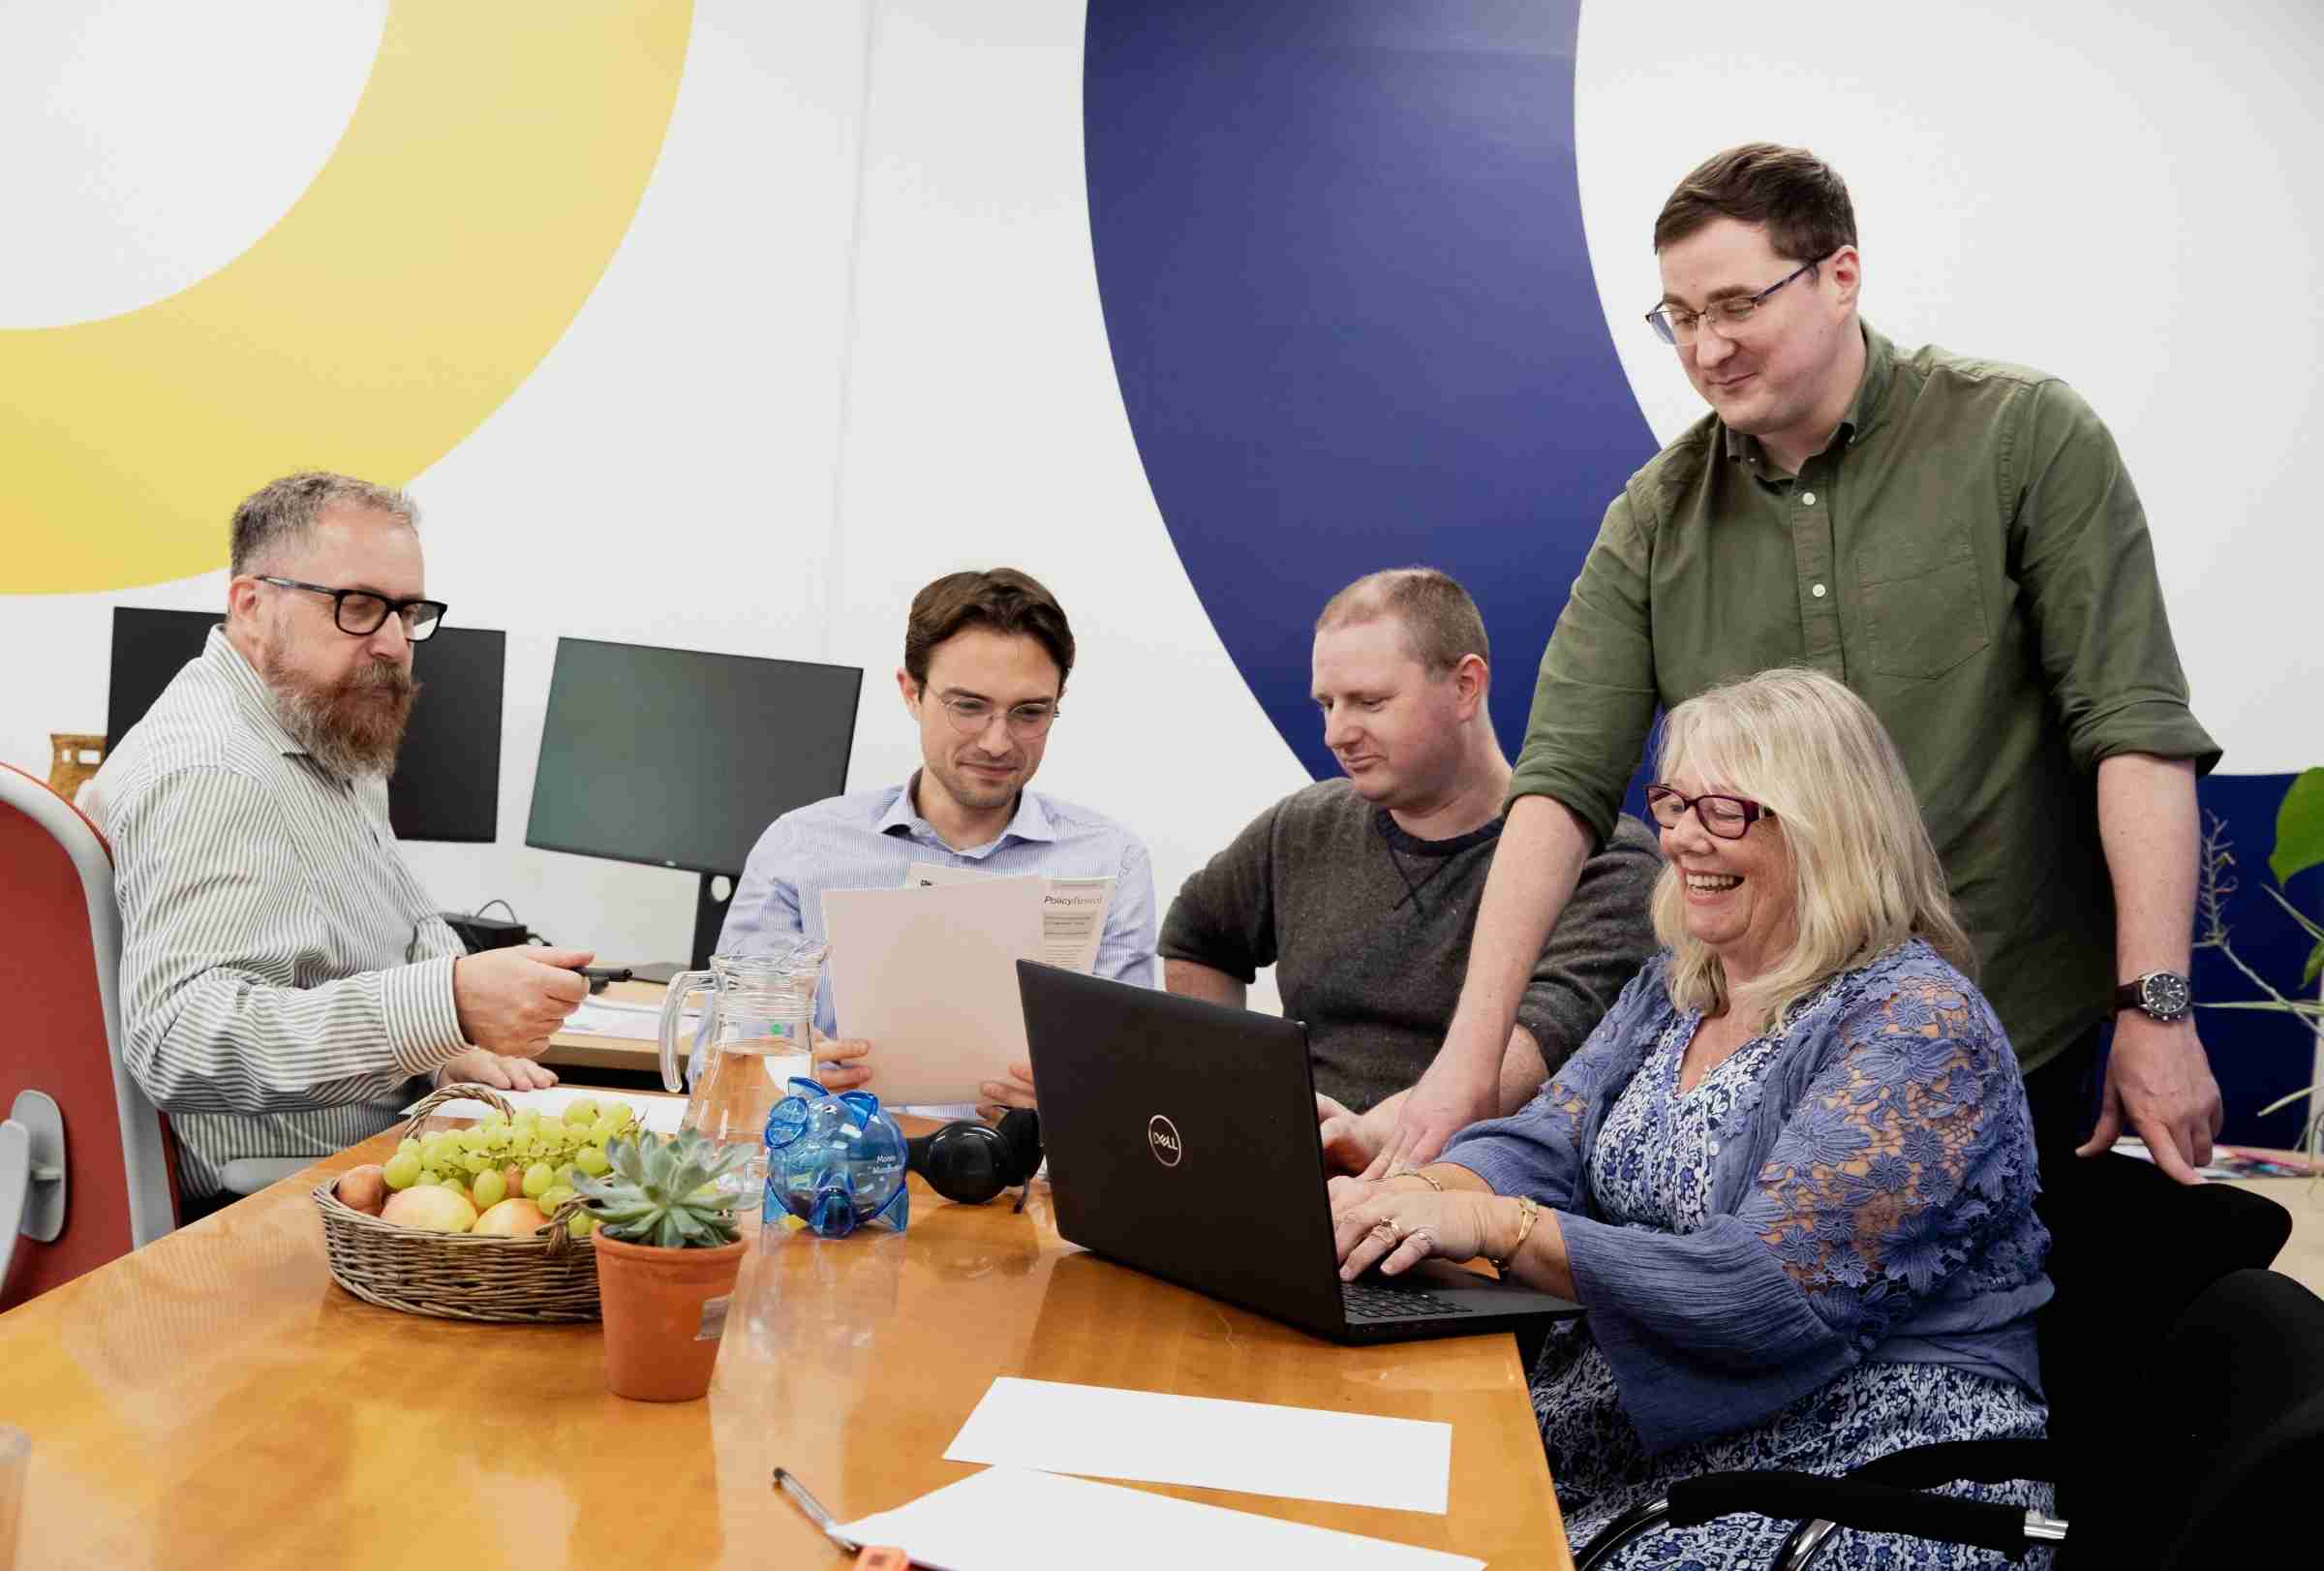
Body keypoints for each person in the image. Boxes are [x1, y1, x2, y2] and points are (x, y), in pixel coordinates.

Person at [1380, 141, 2220, 1182]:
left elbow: (2133, 730)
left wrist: (2156, 1007)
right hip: (1764, 1056)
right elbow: (1557, 787)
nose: (1707, 348)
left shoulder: (2023, 436)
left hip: (2010, 1030)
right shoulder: (1655, 516)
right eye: (1680, 317)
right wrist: (1468, 1062)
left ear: (1839, 277)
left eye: (1736, 305)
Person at [1332, 668, 2052, 1566]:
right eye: (1672, 803)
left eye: (1723, 811)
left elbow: (1757, 1295)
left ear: (1829, 826)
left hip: (1869, 1466)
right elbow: (1543, 1141)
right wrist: (1409, 1194)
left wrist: (1496, 1223)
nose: (1677, 839)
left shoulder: (1919, 1024)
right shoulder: (1681, 985)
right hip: (1672, 1430)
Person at [100, 473, 588, 1217]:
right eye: (357, 607)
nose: (393, 643)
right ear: (252, 606)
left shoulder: (320, 720)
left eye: (408, 612)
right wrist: (445, 1004)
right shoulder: (215, 774)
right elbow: (183, 1041)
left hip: (365, 1158)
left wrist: (447, 1039)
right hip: (272, 1207)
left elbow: (402, 917)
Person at [1159, 568, 1659, 1172]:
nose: (1337, 732)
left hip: (1474, 1201)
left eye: (1371, 702)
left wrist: (1370, 1139)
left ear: (1466, 686)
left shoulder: (1606, 859)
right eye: (1327, 703)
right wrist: (1233, 1094)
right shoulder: (1304, 825)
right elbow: (1197, 936)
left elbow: (1535, 1046)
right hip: (1296, 1175)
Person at [719, 568, 1156, 1116]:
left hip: (1020, 1182)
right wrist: (788, 1077)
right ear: (911, 692)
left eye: (1030, 712)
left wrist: (1073, 1099)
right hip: (832, 1173)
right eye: (968, 706)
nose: (998, 742)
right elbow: (719, 1059)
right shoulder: (802, 847)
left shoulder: (1109, 861)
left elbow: (1134, 1083)